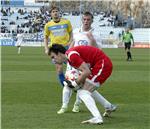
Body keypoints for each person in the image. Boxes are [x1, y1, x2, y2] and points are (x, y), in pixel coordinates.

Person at [59, 12, 116, 117]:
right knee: (74, 85)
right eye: (84, 19)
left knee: (84, 87)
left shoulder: (96, 34)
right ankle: (64, 106)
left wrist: (92, 40)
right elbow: (72, 43)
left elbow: (98, 51)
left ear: (92, 21)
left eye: (88, 20)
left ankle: (78, 105)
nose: (86, 22)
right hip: (73, 61)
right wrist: (68, 56)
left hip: (86, 65)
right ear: (82, 20)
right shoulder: (76, 31)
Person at [48, 44, 116, 124]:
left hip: (102, 65)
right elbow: (84, 72)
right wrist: (76, 82)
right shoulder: (70, 58)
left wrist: (74, 83)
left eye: (53, 57)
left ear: (59, 53)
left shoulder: (71, 56)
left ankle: (97, 118)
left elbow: (86, 72)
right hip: (100, 64)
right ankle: (108, 106)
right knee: (86, 88)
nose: (53, 60)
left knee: (83, 92)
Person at [44, 6, 73, 114]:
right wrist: (46, 48)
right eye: (53, 12)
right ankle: (66, 87)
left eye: (56, 11)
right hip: (55, 50)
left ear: (59, 13)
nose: (55, 13)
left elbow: (71, 33)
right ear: (51, 14)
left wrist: (70, 43)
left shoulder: (66, 22)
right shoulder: (48, 25)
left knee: (72, 67)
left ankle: (74, 84)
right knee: (59, 69)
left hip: (65, 48)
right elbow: (46, 37)